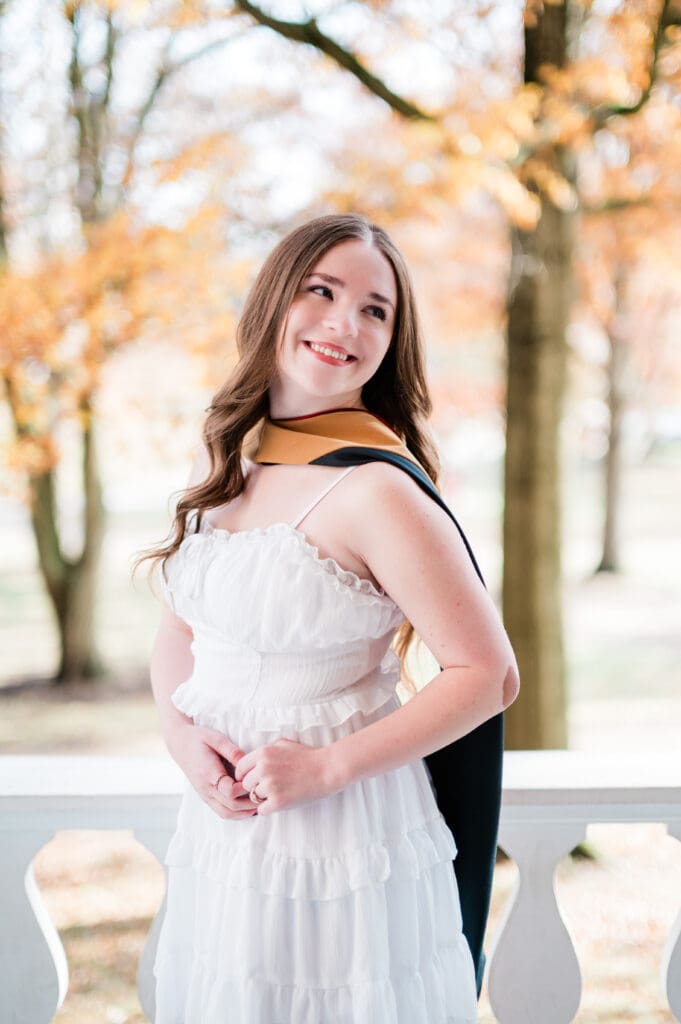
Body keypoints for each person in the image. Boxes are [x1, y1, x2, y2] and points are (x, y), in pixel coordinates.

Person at [139, 212, 520, 1023]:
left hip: (342, 840)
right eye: (321, 291)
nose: (345, 323)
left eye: (375, 309)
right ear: (274, 298)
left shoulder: (376, 489)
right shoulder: (233, 460)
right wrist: (181, 737)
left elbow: (486, 675)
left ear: (391, 341)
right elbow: (180, 629)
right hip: (225, 831)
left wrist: (325, 769)